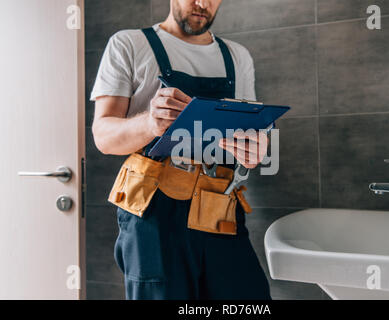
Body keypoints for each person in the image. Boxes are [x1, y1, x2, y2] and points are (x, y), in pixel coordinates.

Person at [90, 0, 271, 300]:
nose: (202, 4)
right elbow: (104, 136)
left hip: (220, 208)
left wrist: (256, 149)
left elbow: (250, 128)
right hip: (153, 213)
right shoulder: (129, 43)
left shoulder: (238, 56)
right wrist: (150, 123)